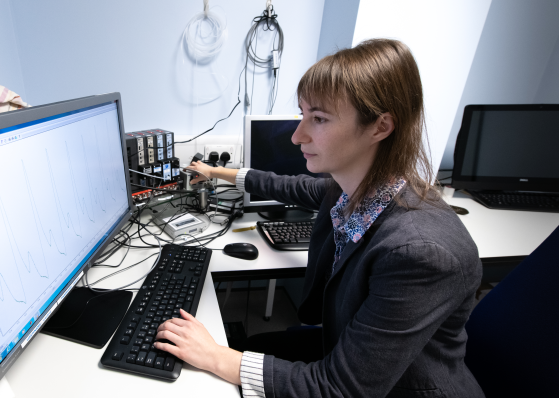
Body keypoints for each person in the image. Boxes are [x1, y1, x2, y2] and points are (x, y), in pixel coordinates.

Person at [153, 39, 484, 397]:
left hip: (395, 389)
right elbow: (289, 185)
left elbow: (340, 388)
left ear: (379, 127)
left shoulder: (420, 254)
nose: (298, 136)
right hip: (346, 354)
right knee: (258, 344)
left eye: (319, 119)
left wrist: (217, 357)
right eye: (302, 115)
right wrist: (216, 172)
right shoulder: (359, 190)